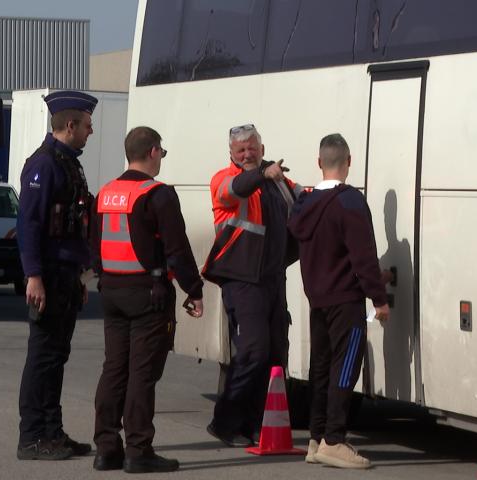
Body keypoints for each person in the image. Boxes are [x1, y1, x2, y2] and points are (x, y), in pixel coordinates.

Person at [92, 126, 204, 474]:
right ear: (153, 151)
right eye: (162, 153)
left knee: (114, 369)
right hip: (148, 295)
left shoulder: (105, 193)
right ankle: (138, 450)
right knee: (142, 374)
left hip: (111, 291)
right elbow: (177, 248)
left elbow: (93, 244)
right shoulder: (158, 194)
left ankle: (106, 449)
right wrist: (194, 289)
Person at [287, 133, 392, 469]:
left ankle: (316, 439)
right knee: (344, 368)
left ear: (319, 163)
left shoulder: (304, 204)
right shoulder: (350, 202)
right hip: (346, 301)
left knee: (320, 368)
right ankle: (334, 440)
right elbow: (363, 257)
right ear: (349, 161)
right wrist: (380, 299)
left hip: (317, 301)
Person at [203, 124, 304, 447]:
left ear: (262, 149)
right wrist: (263, 174)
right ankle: (225, 423)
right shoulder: (225, 179)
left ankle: (258, 424)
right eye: (241, 150)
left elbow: (304, 201)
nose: (247, 154)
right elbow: (235, 189)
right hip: (242, 280)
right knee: (253, 351)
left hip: (273, 279)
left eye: (252, 148)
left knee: (275, 354)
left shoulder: (278, 181)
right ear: (231, 154)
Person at [15, 90, 97, 461]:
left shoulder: (68, 163)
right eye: (87, 125)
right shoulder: (44, 164)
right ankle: (32, 437)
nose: (91, 132)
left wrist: (78, 276)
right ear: (70, 125)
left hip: (65, 275)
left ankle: (52, 432)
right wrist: (34, 275)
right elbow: (29, 223)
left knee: (56, 356)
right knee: (43, 357)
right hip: (48, 274)